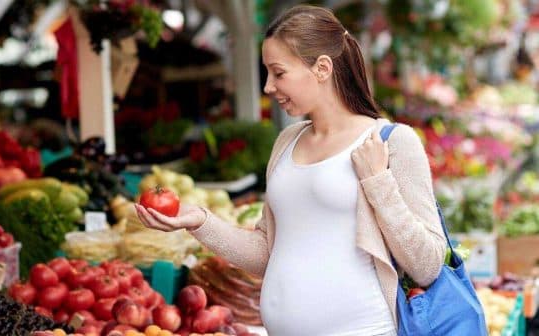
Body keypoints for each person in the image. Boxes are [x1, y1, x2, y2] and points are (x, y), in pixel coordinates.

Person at [135, 5, 446, 336]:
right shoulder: (287, 141)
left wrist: (378, 182)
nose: (268, 87)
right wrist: (200, 221)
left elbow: (426, 265)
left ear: (322, 68)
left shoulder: (392, 142)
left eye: (278, 73)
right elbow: (267, 253)